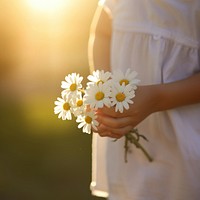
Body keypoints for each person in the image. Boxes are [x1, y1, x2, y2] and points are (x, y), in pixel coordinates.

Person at [88, 0, 200, 199]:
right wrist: (103, 87)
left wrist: (157, 99)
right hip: (128, 155)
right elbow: (102, 33)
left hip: (185, 150)